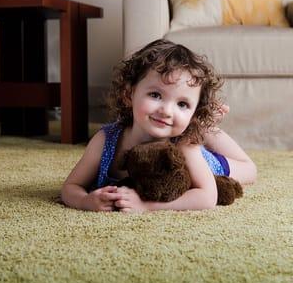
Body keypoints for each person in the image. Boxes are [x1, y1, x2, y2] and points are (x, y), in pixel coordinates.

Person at [61, 39, 257, 213]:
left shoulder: (185, 144)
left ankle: (203, 125)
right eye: (155, 95)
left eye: (182, 104)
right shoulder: (107, 139)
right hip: (186, 128)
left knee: (249, 170)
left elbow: (207, 197)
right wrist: (85, 200)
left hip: (210, 162)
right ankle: (200, 123)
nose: (167, 111)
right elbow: (71, 187)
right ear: (129, 94)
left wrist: (146, 206)